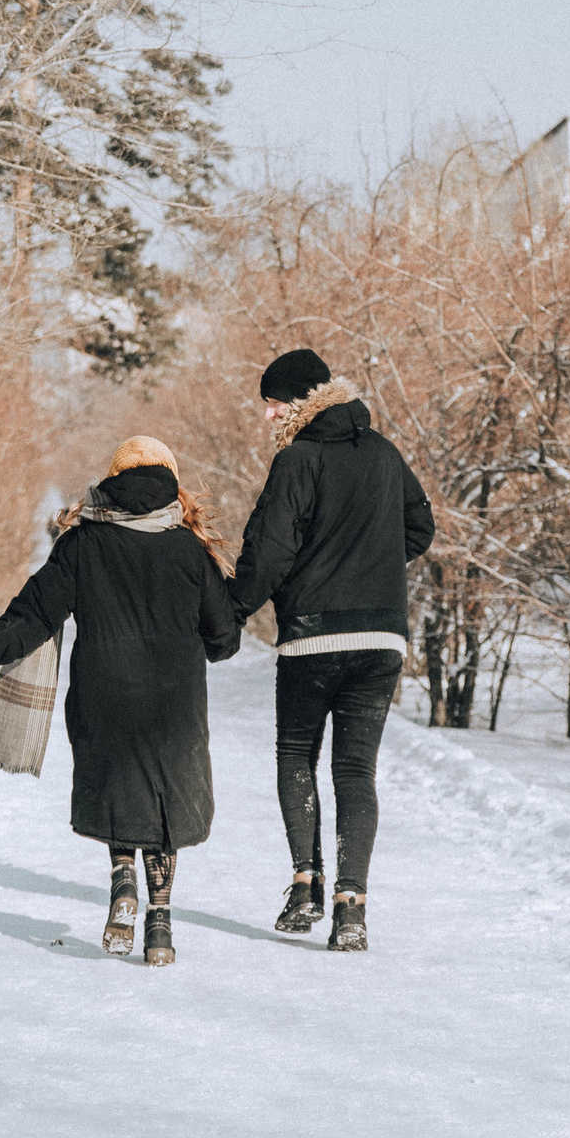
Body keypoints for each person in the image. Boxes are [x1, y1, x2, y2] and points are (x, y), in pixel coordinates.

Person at [0, 437, 240, 966]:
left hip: (105, 696)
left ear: (113, 481)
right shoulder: (189, 549)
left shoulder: (82, 544)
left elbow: (34, 611)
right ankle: (160, 927)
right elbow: (224, 641)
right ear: (171, 481)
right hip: (174, 705)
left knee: (119, 793)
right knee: (166, 803)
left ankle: (122, 880)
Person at [227, 348, 435, 952]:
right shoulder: (386, 454)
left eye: (272, 404)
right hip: (380, 638)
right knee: (355, 770)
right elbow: (419, 529)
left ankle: (305, 886)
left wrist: (231, 611)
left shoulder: (298, 461)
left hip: (313, 635)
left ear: (298, 402)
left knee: (296, 753)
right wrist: (369, 569)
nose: (267, 417)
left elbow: (268, 549)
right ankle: (352, 906)